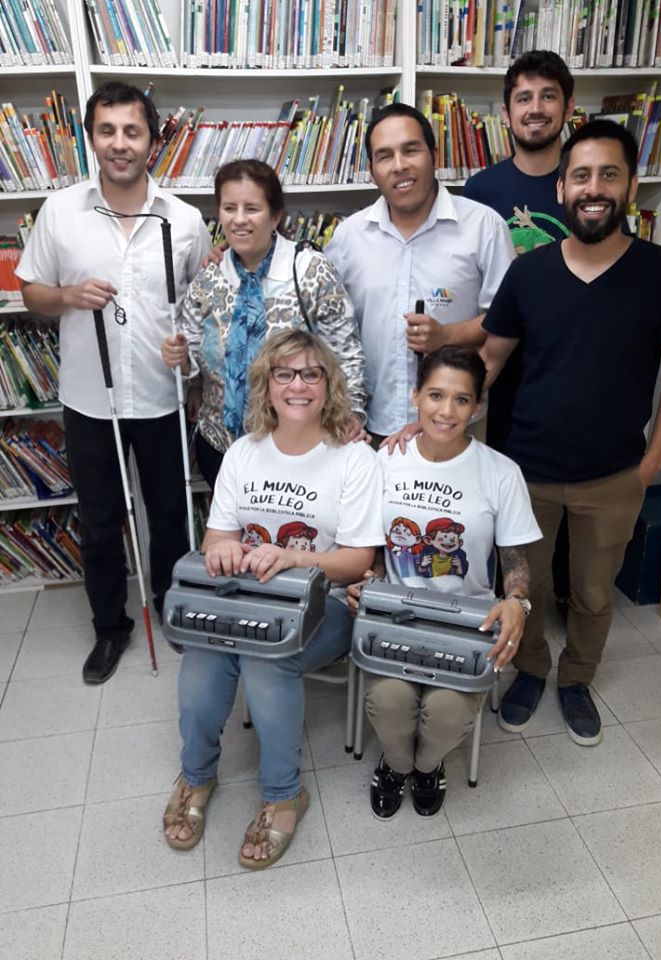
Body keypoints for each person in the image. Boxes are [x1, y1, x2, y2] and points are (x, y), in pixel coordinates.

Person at [482, 119, 661, 746]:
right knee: (527, 586)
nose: (594, 187)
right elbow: (491, 360)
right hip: (526, 472)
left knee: (592, 592)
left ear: (631, 185)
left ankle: (576, 678)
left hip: (614, 474)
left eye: (610, 174)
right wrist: (436, 426)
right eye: (580, 175)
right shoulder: (529, 273)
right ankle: (531, 669)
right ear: (562, 190)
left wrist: (652, 462)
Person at [163, 329, 384, 868]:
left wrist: (292, 559)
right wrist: (222, 551)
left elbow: (358, 560)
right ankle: (196, 776)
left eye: (311, 374)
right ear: (267, 384)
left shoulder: (354, 459)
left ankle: (284, 794)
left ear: (328, 384)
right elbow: (217, 537)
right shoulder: (244, 452)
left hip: (325, 602)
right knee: (204, 654)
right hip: (245, 599)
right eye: (284, 374)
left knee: (267, 660)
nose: (297, 385)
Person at [17, 82, 212, 684]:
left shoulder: (184, 219)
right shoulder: (59, 211)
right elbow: (31, 291)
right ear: (91, 138)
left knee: (171, 514)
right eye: (107, 131)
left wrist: (189, 354)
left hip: (161, 396)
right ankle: (110, 627)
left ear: (153, 141)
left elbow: (201, 304)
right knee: (100, 522)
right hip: (88, 399)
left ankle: (172, 607)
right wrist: (68, 296)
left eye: (132, 131)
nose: (120, 144)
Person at [348, 346, 541, 819]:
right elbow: (372, 547)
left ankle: (428, 766)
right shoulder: (384, 460)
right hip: (396, 617)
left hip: (467, 624)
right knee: (389, 701)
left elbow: (514, 560)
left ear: (477, 406)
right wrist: (368, 579)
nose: (446, 411)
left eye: (461, 399)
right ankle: (396, 765)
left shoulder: (501, 473)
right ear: (415, 396)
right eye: (435, 395)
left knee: (447, 713)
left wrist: (517, 601)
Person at [161, 159, 366, 489]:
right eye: (230, 208)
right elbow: (195, 363)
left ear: (275, 215)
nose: (239, 219)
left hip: (299, 447)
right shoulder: (208, 280)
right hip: (222, 447)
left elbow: (345, 353)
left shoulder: (311, 271)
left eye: (252, 208)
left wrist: (352, 414)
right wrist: (182, 359)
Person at [325, 103, 515, 439]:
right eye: (385, 156)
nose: (399, 165)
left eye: (410, 150)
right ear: (371, 169)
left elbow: (508, 320)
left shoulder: (483, 227)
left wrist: (447, 335)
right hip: (369, 427)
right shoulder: (348, 238)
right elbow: (329, 328)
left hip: (457, 426)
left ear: (434, 155)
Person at [464, 49, 576, 608]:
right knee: (501, 483)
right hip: (500, 365)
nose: (536, 108)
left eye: (548, 96)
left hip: (569, 363)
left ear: (568, 107)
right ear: (506, 112)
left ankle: (559, 595)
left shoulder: (584, 181)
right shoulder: (482, 188)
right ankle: (503, 594)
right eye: (524, 98)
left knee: (566, 487)